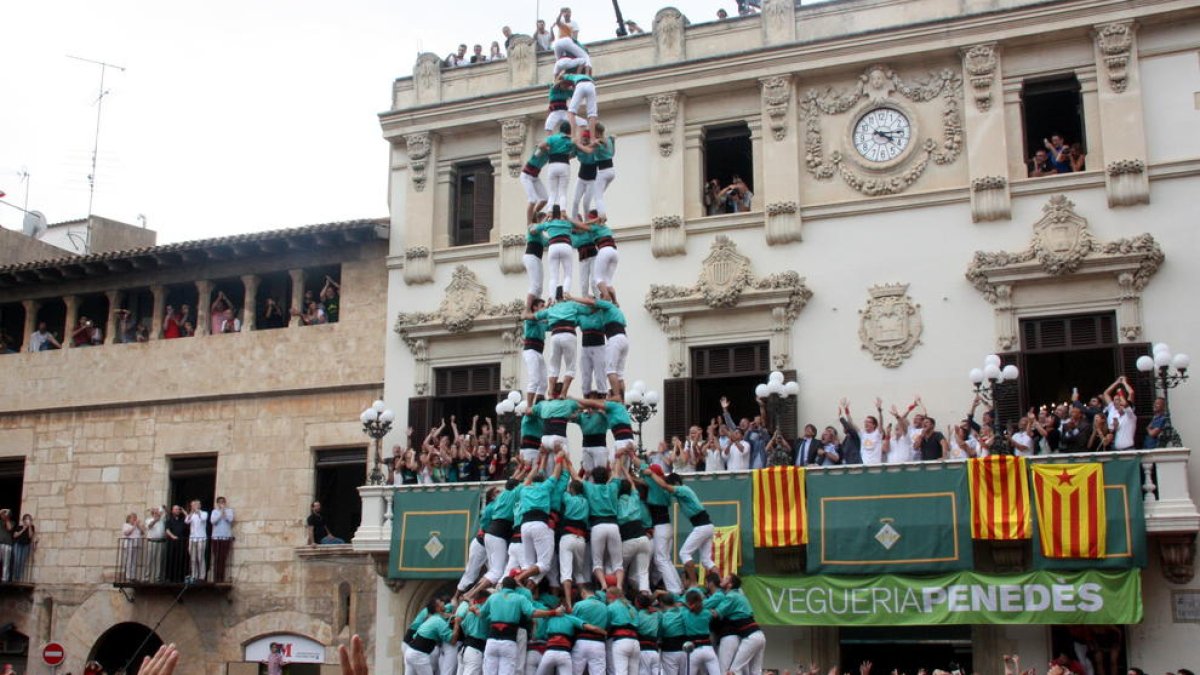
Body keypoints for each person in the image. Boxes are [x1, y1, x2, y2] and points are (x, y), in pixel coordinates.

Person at [210, 496, 234, 582]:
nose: (222, 503)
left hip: (226, 537)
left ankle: (221, 578)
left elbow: (230, 520)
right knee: (216, 557)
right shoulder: (214, 512)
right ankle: (216, 578)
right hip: (216, 537)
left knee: (223, 558)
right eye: (220, 502)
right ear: (217, 503)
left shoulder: (230, 511)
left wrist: (224, 512)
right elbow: (213, 521)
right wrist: (220, 514)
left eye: (223, 502)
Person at [164, 505, 189, 582]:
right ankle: (170, 578)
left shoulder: (182, 520)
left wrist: (185, 513)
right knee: (172, 559)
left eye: (178, 509)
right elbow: (167, 530)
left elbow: (188, 521)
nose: (177, 511)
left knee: (180, 559)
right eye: (176, 509)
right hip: (172, 543)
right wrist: (173, 536)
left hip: (181, 543)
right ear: (172, 511)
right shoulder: (169, 520)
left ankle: (180, 578)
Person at [186, 499, 208, 582]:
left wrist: (197, 511)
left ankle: (202, 576)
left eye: (197, 504)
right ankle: (194, 575)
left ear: (200, 505)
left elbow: (203, 519)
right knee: (193, 558)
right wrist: (191, 512)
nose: (195, 506)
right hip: (192, 538)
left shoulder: (204, 513)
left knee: (200, 557)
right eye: (194, 504)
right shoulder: (192, 514)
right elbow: (186, 521)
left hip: (201, 538)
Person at [121, 512, 146, 582]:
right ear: (129, 519)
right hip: (129, 544)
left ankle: (133, 576)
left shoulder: (137, 526)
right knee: (129, 561)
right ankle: (128, 576)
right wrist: (134, 526)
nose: (135, 519)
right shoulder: (126, 525)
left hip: (135, 545)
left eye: (136, 517)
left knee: (134, 561)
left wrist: (139, 526)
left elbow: (142, 533)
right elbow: (127, 533)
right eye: (133, 518)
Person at [145, 506, 166, 582]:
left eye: (158, 512)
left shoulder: (162, 520)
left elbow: (164, 511)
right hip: (152, 541)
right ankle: (147, 577)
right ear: (153, 513)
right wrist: (155, 520)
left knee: (158, 560)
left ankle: (157, 577)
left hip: (160, 542)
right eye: (156, 512)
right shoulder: (149, 520)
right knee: (150, 560)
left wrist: (160, 509)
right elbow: (149, 526)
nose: (158, 513)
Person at [11, 514, 34, 582]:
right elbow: (15, 535)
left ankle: (17, 578)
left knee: (22, 562)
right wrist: (23, 529)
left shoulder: (32, 527)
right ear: (23, 520)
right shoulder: (19, 527)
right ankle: (14, 576)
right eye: (26, 519)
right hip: (18, 545)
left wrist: (29, 527)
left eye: (29, 519)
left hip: (26, 546)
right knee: (17, 561)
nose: (27, 520)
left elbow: (30, 536)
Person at [0, 510, 13, 582]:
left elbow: (9, 528)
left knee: (6, 563)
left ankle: (4, 579)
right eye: (3, 514)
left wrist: (7, 519)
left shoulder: (12, 522)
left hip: (7, 545)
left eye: (6, 514)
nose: (4, 515)